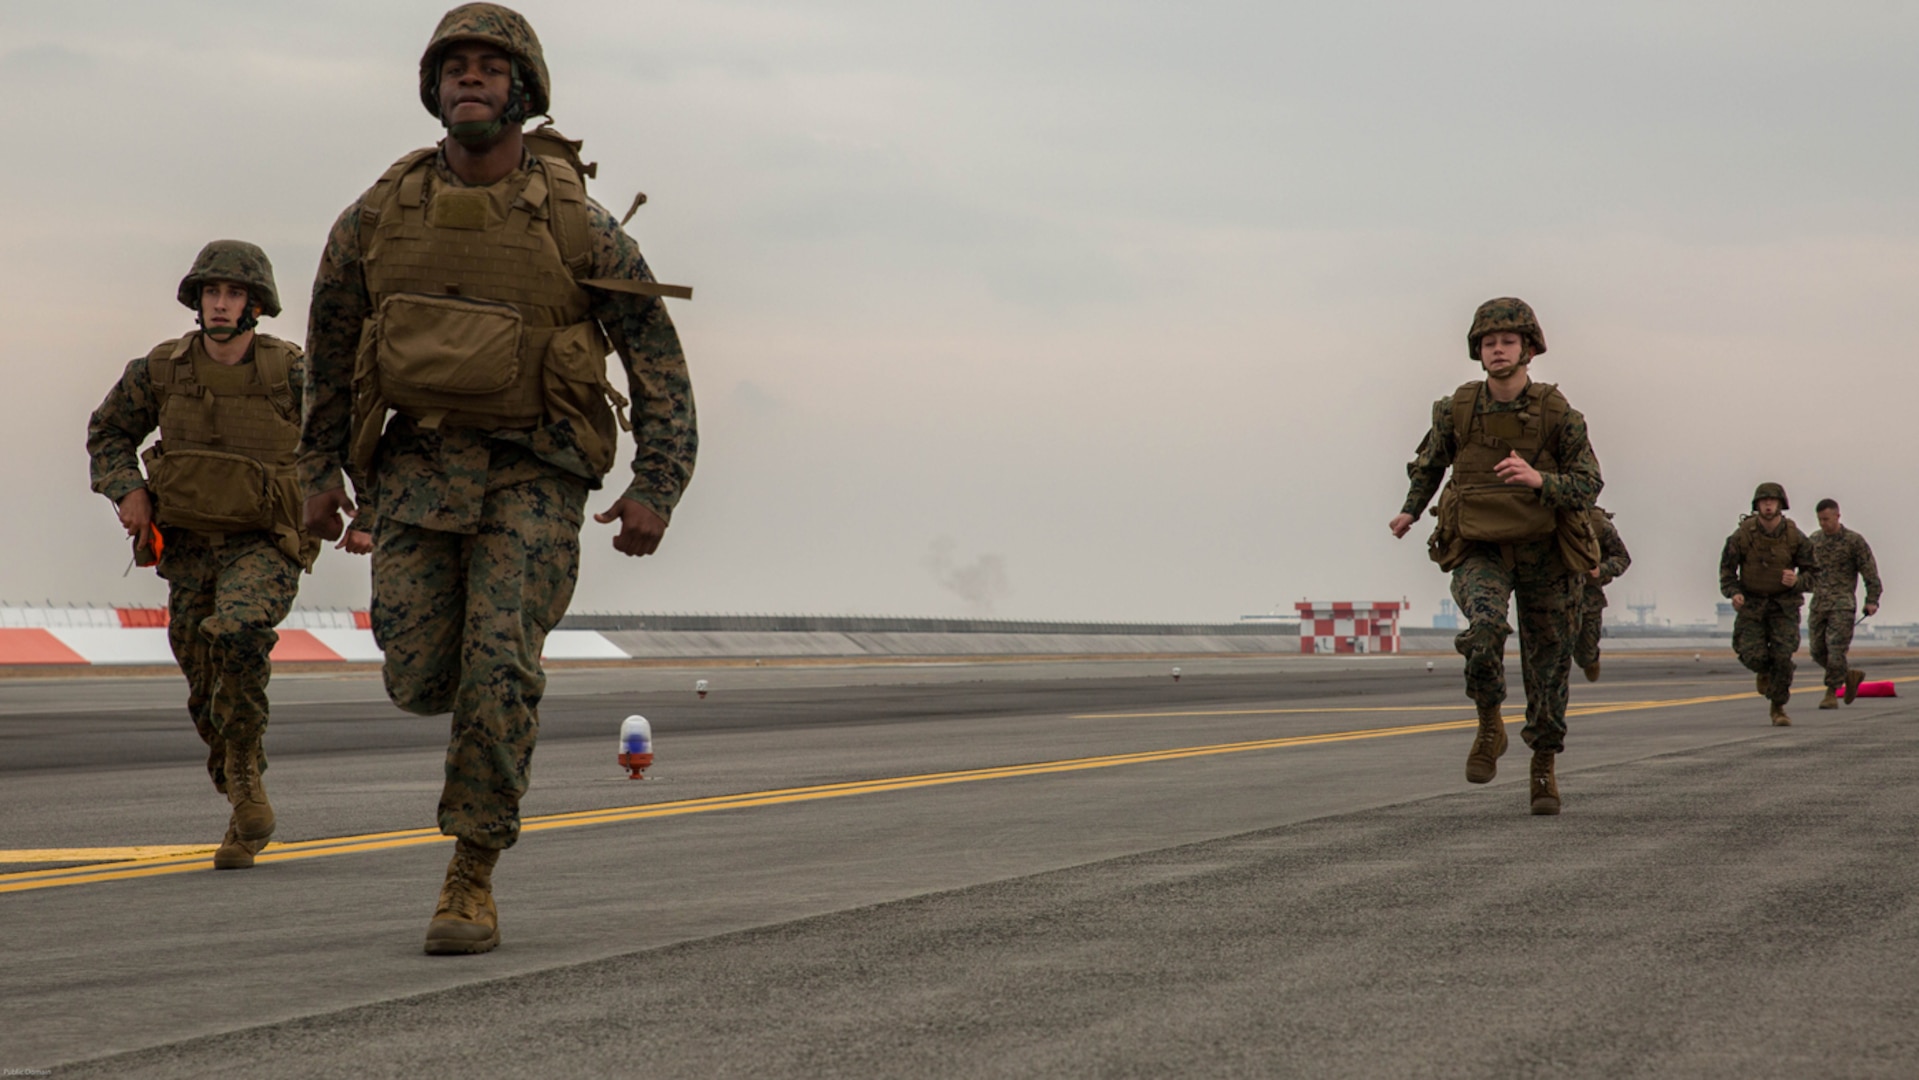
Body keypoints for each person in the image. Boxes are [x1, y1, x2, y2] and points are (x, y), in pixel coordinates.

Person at [299, 3, 698, 955]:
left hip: (534, 470)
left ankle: (470, 871)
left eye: (489, 66)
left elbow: (656, 360)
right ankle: (471, 782)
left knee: (496, 670)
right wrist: (316, 470)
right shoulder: (374, 216)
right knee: (417, 674)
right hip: (417, 470)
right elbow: (330, 345)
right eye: (454, 68)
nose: (469, 79)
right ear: (433, 90)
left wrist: (657, 485)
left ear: (523, 90)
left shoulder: (581, 228)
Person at [86, 241, 318, 870]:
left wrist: (361, 511)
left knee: (238, 630)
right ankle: (241, 785)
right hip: (188, 548)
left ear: (256, 304)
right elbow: (108, 432)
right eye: (212, 293)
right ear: (197, 301)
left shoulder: (290, 373)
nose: (221, 304)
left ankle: (244, 778)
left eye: (234, 294)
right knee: (202, 683)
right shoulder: (161, 370)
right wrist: (126, 489)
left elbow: (343, 435)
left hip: (265, 541)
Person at [1389, 298, 1602, 815]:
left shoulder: (1557, 414)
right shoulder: (1457, 409)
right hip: (1480, 546)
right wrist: (1410, 512)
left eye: (1508, 342)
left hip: (1547, 554)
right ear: (1478, 352)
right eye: (1489, 343)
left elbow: (1589, 483)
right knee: (1483, 632)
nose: (1499, 350)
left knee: (1548, 669)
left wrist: (1538, 480)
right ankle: (1489, 722)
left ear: (1528, 349)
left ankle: (1543, 766)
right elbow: (1430, 464)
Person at [1718, 483, 1816, 725]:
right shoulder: (1742, 535)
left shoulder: (1795, 537)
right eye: (1764, 501)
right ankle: (1763, 672)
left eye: (1773, 500)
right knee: (1751, 654)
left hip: (1784, 605)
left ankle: (1778, 707)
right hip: (1752, 603)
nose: (1769, 505)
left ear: (1781, 504)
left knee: (1783, 657)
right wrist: (1734, 593)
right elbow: (1727, 570)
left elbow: (1814, 573)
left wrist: (1798, 580)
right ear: (1757, 505)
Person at [1807, 498, 1882, 709]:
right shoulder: (1814, 541)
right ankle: (1849, 675)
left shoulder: (1853, 541)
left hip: (1842, 604)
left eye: (1827, 519)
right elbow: (1804, 571)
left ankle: (1831, 692)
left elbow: (1870, 572)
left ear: (1838, 516)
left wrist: (1872, 600)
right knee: (1817, 651)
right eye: (1820, 520)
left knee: (1835, 649)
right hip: (1819, 603)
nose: (1823, 524)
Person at [1573, 508, 1631, 682]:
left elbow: (1622, 557)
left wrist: (1602, 570)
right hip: (1552, 597)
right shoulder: (1544, 518)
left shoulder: (1598, 523)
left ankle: (1589, 660)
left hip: (1588, 597)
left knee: (1586, 651)